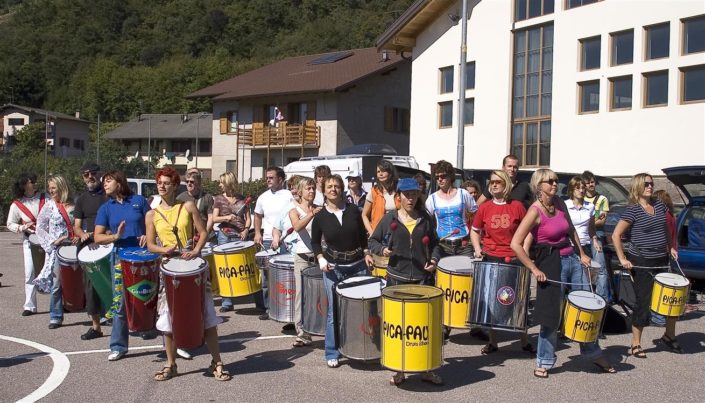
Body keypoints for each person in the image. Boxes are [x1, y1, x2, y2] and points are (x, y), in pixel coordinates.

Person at [511, 168, 615, 379]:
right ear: (539, 185)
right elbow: (516, 243)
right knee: (551, 312)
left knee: (585, 305)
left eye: (556, 181)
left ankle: (592, 351)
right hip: (549, 262)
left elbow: (571, 231)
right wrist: (534, 268)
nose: (554, 184)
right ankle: (544, 360)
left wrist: (582, 254)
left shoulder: (558, 203)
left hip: (572, 259)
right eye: (550, 181)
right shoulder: (534, 211)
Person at [145, 167, 231, 381]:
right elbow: (149, 245)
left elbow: (203, 232)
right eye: (159, 182)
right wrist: (162, 250)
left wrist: (195, 250)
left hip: (192, 267)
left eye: (166, 182)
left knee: (207, 316)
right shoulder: (151, 214)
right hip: (169, 268)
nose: (162, 186)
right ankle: (171, 364)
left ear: (175, 186)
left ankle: (217, 362)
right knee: (168, 319)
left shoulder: (188, 206)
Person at [367, 178, 443, 386]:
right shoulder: (389, 218)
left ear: (418, 196)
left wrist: (434, 260)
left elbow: (436, 245)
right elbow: (372, 241)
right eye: (407, 194)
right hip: (396, 280)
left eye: (414, 194)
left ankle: (427, 368)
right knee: (400, 329)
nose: (411, 198)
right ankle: (399, 370)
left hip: (421, 280)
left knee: (423, 328)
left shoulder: (425, 219)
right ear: (398, 196)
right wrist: (382, 250)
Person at [612, 173, 681, 357]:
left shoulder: (659, 204)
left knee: (670, 299)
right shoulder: (633, 210)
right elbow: (616, 235)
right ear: (637, 187)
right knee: (643, 302)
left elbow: (665, 227)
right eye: (646, 184)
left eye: (651, 183)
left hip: (662, 259)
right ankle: (636, 343)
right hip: (642, 261)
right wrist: (622, 258)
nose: (650, 186)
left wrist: (670, 247)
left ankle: (669, 336)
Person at [470, 170, 534, 355]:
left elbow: (529, 230)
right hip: (492, 257)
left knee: (518, 300)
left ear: (506, 184)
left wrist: (525, 249)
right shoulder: (485, 207)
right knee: (492, 300)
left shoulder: (517, 206)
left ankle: (524, 340)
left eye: (498, 181)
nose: (494, 185)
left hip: (514, 258)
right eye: (492, 182)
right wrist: (477, 248)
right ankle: (493, 342)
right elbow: (475, 230)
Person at [311, 174, 369, 368]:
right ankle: (331, 351)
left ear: (342, 189)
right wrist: (320, 258)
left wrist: (367, 253)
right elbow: (315, 242)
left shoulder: (353, 210)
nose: (333, 189)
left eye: (336, 186)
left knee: (359, 311)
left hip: (357, 265)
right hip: (334, 268)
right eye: (329, 186)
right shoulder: (320, 216)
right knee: (333, 313)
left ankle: (358, 347)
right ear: (324, 190)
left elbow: (362, 235)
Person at [94, 170, 150, 362]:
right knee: (120, 302)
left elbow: (154, 222)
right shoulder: (106, 208)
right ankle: (118, 346)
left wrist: (148, 235)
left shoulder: (139, 201)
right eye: (104, 182)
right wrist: (115, 237)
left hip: (145, 257)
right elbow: (97, 237)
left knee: (149, 296)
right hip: (119, 258)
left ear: (120, 182)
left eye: (108, 181)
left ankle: (156, 334)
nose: (105, 185)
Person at [73, 163, 109, 340]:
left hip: (107, 245)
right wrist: (83, 234)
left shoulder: (108, 197)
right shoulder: (81, 199)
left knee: (113, 284)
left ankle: (119, 321)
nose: (89, 177)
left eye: (92, 174)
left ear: (99, 174)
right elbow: (77, 227)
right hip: (88, 248)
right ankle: (96, 327)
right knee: (90, 288)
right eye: (86, 174)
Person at [34, 175, 74, 329]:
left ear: (61, 187)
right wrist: (52, 241)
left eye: (53, 188)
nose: (50, 191)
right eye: (49, 188)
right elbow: (40, 227)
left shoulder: (74, 203)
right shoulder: (49, 206)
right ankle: (56, 316)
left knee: (82, 281)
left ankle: (93, 312)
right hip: (58, 249)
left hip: (75, 246)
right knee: (57, 283)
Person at [253, 166, 294, 319]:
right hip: (269, 240)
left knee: (284, 275)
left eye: (271, 177)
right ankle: (268, 308)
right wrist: (258, 233)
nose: (268, 180)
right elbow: (257, 216)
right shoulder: (263, 197)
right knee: (266, 276)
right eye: (267, 177)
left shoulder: (289, 195)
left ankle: (284, 307)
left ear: (280, 179)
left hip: (286, 240)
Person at [287, 177, 321, 346]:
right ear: (300, 192)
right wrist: (311, 214)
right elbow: (298, 226)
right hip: (302, 258)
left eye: (313, 188)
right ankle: (301, 333)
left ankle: (317, 328)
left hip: (318, 257)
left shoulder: (319, 209)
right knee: (301, 296)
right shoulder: (294, 209)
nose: (312, 191)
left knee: (317, 296)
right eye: (308, 188)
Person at [6, 173, 46, 316]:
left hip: (48, 240)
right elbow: (10, 223)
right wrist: (21, 228)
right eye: (31, 182)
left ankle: (62, 304)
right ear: (24, 185)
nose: (34, 183)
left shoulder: (45, 198)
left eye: (34, 181)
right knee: (30, 272)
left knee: (55, 272)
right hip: (30, 241)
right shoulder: (17, 204)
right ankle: (30, 305)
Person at [213, 171, 251, 313]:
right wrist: (226, 218)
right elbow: (215, 218)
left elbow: (248, 218)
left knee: (244, 267)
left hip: (240, 235)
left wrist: (246, 230)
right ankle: (227, 302)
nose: (219, 184)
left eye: (222, 182)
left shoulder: (242, 199)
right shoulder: (218, 199)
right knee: (225, 269)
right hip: (224, 235)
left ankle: (249, 294)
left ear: (228, 183)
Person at [426, 160, 477, 257]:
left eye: (443, 176)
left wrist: (471, 236)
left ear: (450, 176)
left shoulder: (463, 193)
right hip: (442, 246)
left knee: (465, 272)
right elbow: (425, 221)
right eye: (437, 177)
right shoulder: (432, 199)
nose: (440, 179)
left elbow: (476, 215)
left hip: (464, 246)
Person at [582, 170, 610, 302]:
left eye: (592, 182)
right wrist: (593, 220)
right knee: (584, 268)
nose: (590, 185)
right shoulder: (581, 198)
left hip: (597, 234)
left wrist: (586, 221)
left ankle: (602, 298)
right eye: (587, 183)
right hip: (582, 235)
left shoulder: (602, 199)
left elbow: (602, 221)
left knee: (600, 267)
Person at [177, 168, 215, 244]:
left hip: (207, 238)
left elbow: (211, 218)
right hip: (190, 239)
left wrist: (204, 234)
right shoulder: (180, 198)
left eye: (192, 182)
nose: (189, 184)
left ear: (198, 183)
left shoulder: (207, 197)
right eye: (187, 181)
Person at [362, 160, 399, 235]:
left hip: (397, 233)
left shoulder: (399, 191)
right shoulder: (373, 192)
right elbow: (364, 215)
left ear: (390, 173)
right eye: (378, 172)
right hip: (378, 235)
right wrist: (371, 232)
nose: (380, 174)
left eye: (383, 171)